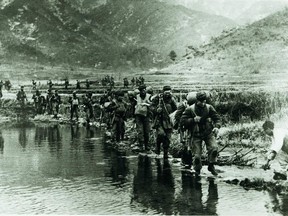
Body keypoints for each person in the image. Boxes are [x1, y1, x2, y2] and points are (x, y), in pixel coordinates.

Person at [181, 91, 221, 176]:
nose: (203, 103)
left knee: (214, 148)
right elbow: (182, 121)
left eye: (204, 101)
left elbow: (217, 118)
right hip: (196, 135)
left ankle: (211, 165)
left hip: (208, 133)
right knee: (197, 157)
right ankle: (197, 171)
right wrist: (192, 120)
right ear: (197, 101)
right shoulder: (190, 109)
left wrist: (217, 127)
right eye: (201, 101)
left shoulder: (209, 108)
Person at [151, 85, 177, 159]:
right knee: (161, 134)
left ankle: (165, 153)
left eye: (169, 92)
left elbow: (176, 110)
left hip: (169, 122)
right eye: (166, 92)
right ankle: (158, 150)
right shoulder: (158, 99)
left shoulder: (172, 100)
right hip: (159, 121)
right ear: (163, 92)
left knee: (168, 138)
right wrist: (156, 110)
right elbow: (151, 107)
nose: (168, 94)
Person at [134, 84, 151, 152]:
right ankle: (141, 146)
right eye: (142, 90)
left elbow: (152, 104)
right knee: (140, 131)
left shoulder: (149, 96)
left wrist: (146, 104)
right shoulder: (137, 96)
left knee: (146, 131)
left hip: (146, 116)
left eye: (144, 90)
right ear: (140, 91)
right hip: (138, 116)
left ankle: (147, 146)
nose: (143, 91)